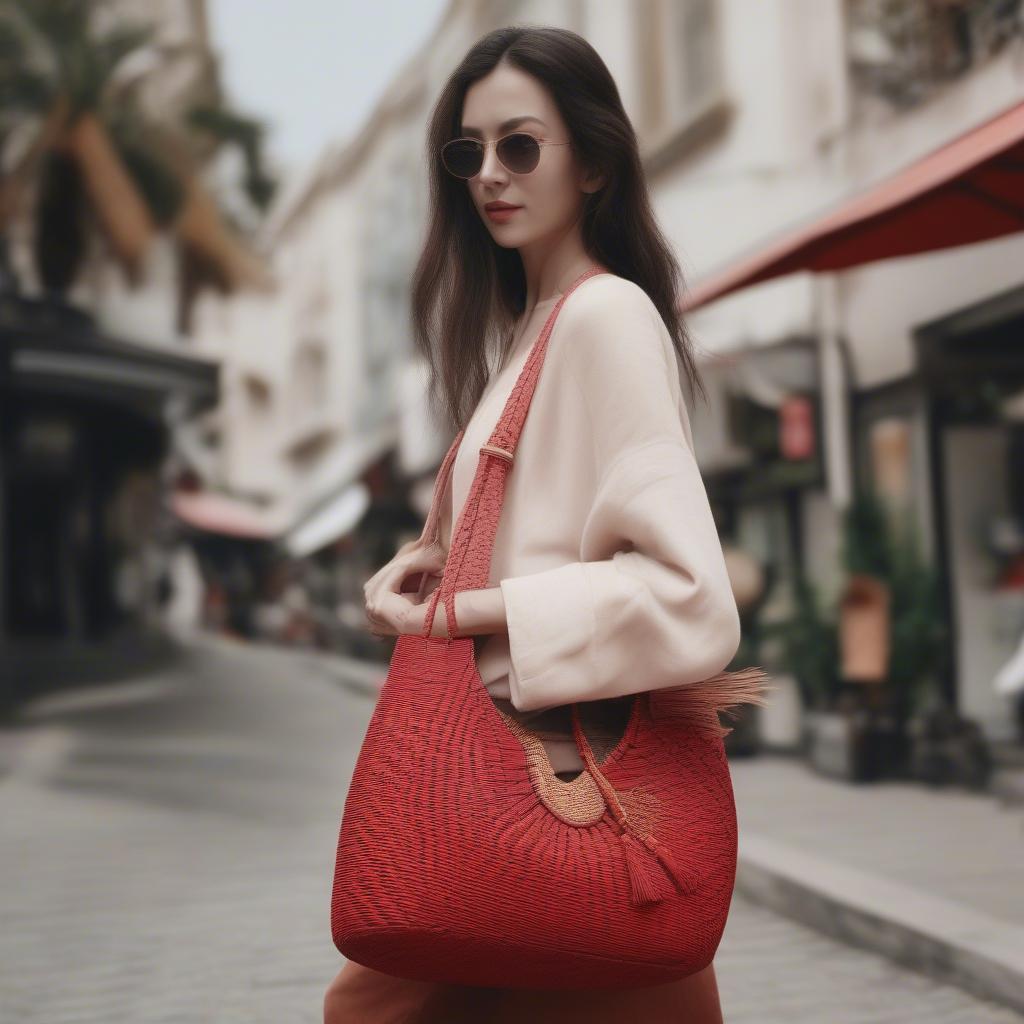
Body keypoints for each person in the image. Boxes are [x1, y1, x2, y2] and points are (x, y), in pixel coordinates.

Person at [325, 24, 743, 1023]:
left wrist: (459, 612)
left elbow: (687, 594)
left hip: (553, 770)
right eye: (467, 153)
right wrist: (429, 573)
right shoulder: (528, 331)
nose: (489, 176)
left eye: (521, 145)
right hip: (538, 779)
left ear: (594, 160)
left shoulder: (604, 317)